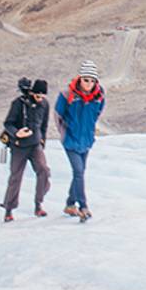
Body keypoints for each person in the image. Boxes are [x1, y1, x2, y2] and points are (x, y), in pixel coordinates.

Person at [54, 60, 105, 222]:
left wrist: (90, 129)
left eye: (92, 80)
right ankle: (83, 206)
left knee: (80, 172)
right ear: (80, 78)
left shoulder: (99, 96)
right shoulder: (67, 94)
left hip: (86, 141)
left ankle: (70, 204)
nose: (88, 84)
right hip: (70, 141)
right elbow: (57, 115)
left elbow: (97, 113)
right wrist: (64, 134)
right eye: (85, 79)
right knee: (78, 172)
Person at [0, 78, 51, 222]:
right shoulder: (18, 104)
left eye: (43, 96)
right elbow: (7, 123)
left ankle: (38, 204)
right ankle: (9, 210)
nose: (40, 98)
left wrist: (42, 141)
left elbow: (44, 125)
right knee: (16, 177)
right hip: (18, 146)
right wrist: (17, 133)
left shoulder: (45, 104)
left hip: (35, 145)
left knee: (44, 170)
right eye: (38, 95)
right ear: (32, 92)